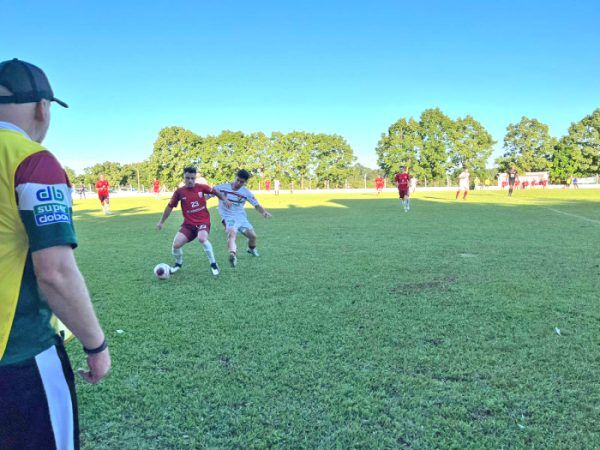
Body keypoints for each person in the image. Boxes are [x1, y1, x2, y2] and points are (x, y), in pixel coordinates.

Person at [0, 58, 111, 449]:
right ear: (42, 107)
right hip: (18, 353)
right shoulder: (30, 158)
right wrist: (96, 345)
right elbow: (55, 273)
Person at [155, 167, 231, 276]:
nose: (190, 180)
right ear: (183, 178)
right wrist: (161, 222)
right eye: (187, 178)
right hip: (188, 225)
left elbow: (215, 191)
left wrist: (225, 199)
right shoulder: (179, 192)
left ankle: (213, 264)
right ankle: (178, 264)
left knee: (202, 238)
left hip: (203, 222)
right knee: (176, 245)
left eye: (192, 178)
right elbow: (169, 207)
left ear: (195, 178)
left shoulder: (201, 187)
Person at [212, 169, 272, 267]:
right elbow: (207, 195)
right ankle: (232, 254)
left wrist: (264, 212)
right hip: (228, 216)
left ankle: (251, 249)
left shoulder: (246, 192)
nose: (238, 183)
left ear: (245, 182)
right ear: (235, 177)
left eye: (242, 182)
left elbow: (256, 205)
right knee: (232, 233)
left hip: (241, 218)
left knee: (253, 237)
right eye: (238, 180)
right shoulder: (221, 187)